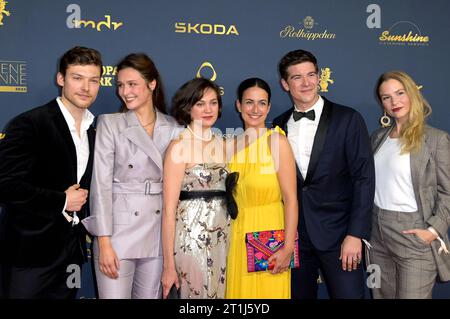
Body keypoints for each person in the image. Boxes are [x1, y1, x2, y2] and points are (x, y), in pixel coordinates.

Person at [0, 46, 102, 298]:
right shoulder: (30, 123)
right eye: (77, 78)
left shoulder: (95, 129)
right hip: (30, 254)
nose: (85, 88)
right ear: (61, 79)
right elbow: (5, 185)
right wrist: (63, 200)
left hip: (71, 254)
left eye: (93, 80)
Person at [272, 49, 375, 299]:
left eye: (311, 75)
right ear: (285, 84)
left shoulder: (348, 118)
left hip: (340, 237)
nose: (306, 83)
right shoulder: (277, 125)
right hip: (294, 238)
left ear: (319, 77)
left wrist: (355, 234)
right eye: (297, 77)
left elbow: (364, 178)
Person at [81, 53, 182, 299]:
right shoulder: (110, 124)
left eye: (132, 84)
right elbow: (101, 186)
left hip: (158, 235)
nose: (125, 92)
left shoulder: (174, 128)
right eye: (121, 85)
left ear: (152, 84)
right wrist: (103, 242)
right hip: (117, 234)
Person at [369, 70, 450, 299]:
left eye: (399, 93)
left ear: (413, 94)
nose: (394, 102)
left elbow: (448, 192)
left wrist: (433, 231)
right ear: (382, 103)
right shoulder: (377, 138)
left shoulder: (436, 139)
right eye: (386, 97)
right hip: (377, 233)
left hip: (414, 234)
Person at [225, 78, 298, 298]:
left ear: (269, 107)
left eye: (262, 103)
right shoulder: (229, 146)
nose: (255, 109)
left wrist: (287, 248)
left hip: (270, 240)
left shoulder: (276, 141)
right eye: (249, 102)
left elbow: (291, 199)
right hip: (235, 236)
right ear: (239, 105)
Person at [161, 77, 231, 299]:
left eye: (213, 102)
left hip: (225, 234)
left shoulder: (224, 143)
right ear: (188, 107)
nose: (208, 109)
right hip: (191, 237)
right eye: (200, 103)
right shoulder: (179, 146)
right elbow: (168, 210)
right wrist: (168, 265)